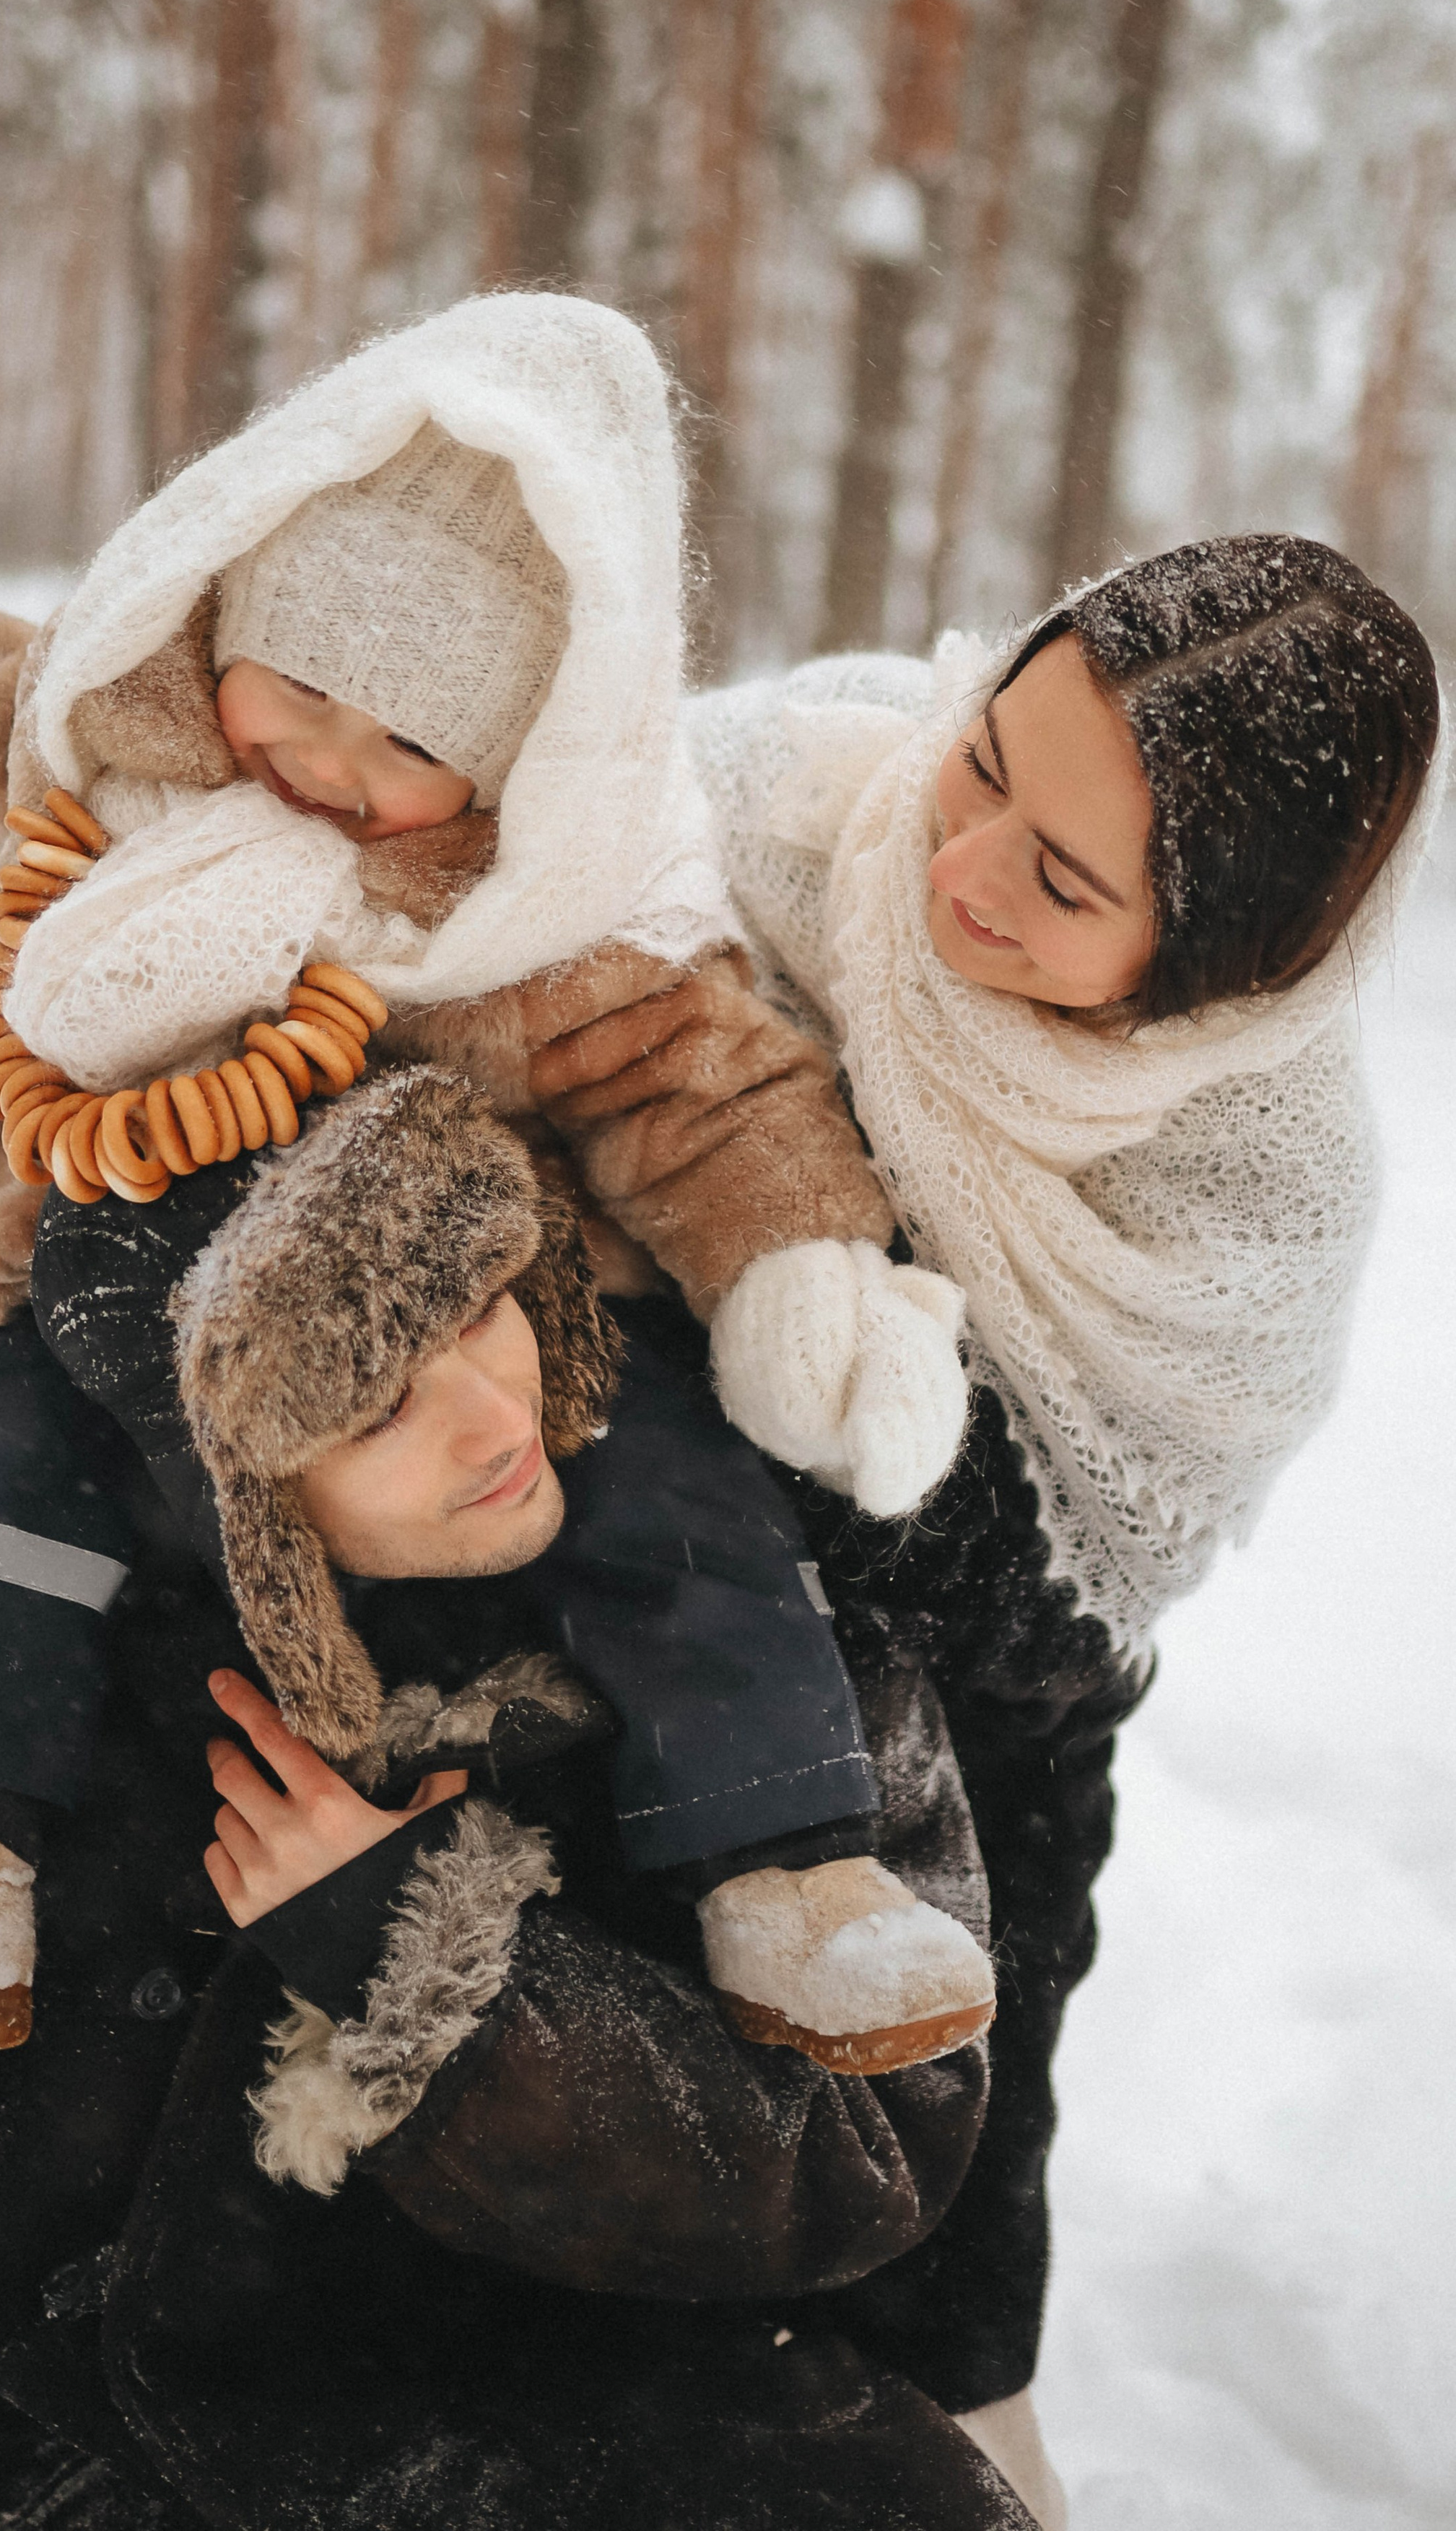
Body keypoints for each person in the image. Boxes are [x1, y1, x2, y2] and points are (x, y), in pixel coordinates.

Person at [0, 292, 982, 2067]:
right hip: (139, 1292)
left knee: (678, 1504)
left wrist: (797, 1267)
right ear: (228, 621)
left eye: (414, 749)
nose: (331, 771)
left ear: (511, 765)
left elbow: (696, 1085)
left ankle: (791, 1873)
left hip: (494, 1323)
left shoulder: (541, 915)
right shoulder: (138, 744)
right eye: (299, 691)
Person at [0, 1075, 1031, 2531]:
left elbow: (870, 2154)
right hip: (120, 2457)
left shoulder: (762, 1637)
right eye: (378, 1400)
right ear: (218, 1467)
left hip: (645, 2441)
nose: (496, 1417)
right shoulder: (9, 1642)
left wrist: (422, 1967)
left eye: (483, 1307)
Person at [526, 531, 1444, 2514]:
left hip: (967, 1725)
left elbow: (1063, 1606)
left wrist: (788, 1334)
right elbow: (502, 906)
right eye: (989, 763)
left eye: (1066, 881)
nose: (961, 867)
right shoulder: (799, 790)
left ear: (1222, 962)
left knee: (922, 2160)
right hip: (581, 1568)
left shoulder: (1257, 1187)